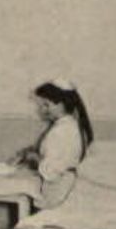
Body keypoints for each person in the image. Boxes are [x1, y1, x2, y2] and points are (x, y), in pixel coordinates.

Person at [12, 80, 93, 209]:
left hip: (58, 188)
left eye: (46, 105)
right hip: (62, 184)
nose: (42, 109)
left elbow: (50, 170)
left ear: (61, 104)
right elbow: (59, 156)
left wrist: (33, 157)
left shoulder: (62, 130)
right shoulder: (69, 125)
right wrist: (35, 151)